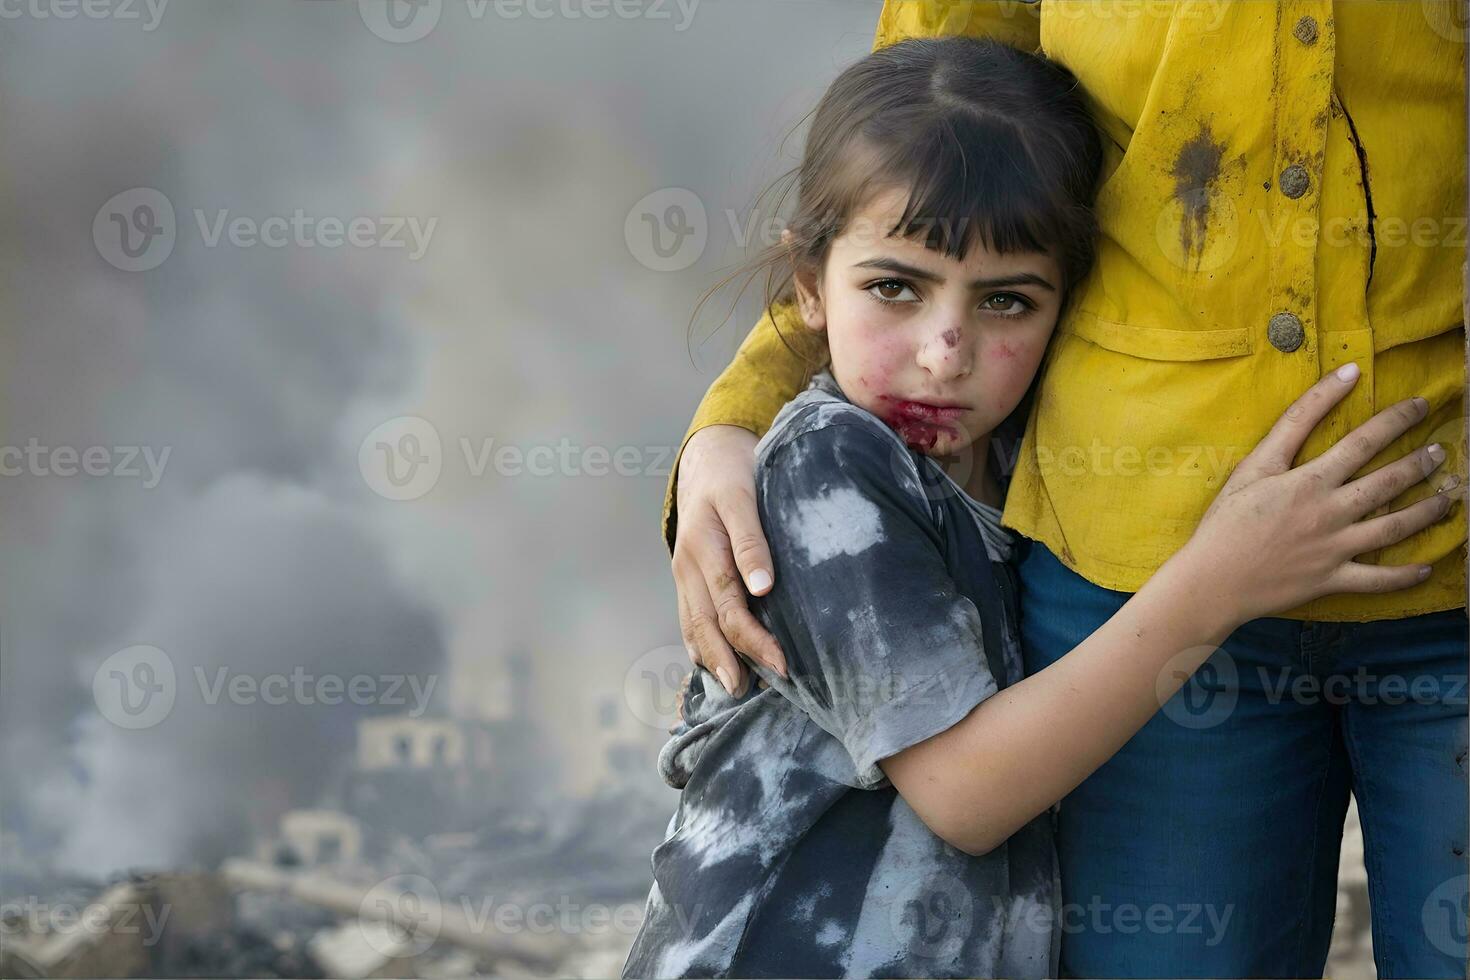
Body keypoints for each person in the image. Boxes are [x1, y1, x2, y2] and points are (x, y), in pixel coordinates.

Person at [626, 34, 1459, 980]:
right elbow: (968, 794)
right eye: (893, 288)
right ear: (808, 286)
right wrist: (1223, 578)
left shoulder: (1018, 454)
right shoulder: (829, 469)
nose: (945, 351)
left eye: (1007, 303)